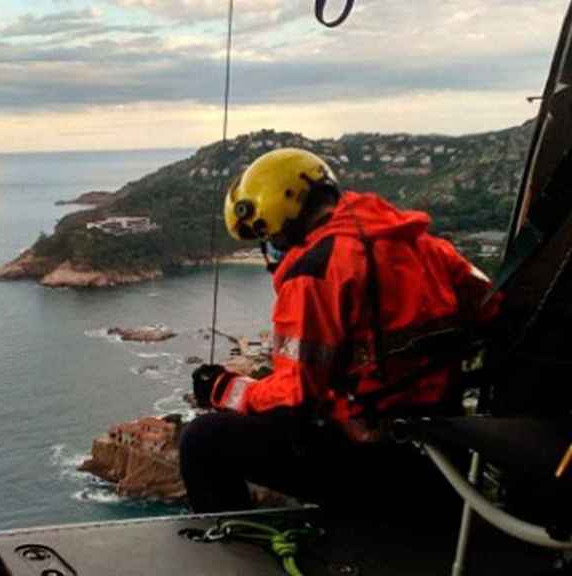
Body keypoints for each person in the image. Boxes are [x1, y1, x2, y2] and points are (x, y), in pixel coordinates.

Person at [179, 148, 501, 515]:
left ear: (279, 219)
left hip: (383, 462)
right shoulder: (424, 244)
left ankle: (232, 551)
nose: (270, 249)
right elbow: (493, 308)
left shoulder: (314, 272)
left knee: (202, 441)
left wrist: (224, 390)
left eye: (267, 237)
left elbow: (295, 399)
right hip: (449, 450)